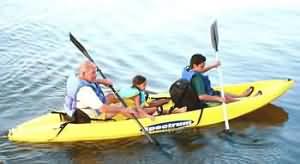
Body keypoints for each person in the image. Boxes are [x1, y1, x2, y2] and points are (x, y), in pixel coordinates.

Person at [64, 61, 136, 122]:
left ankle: (131, 104)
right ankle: (138, 117)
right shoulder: (85, 91)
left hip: (77, 107)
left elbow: (86, 80)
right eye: (93, 73)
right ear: (83, 73)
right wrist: (122, 110)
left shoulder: (75, 77)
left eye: (95, 72)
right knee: (120, 106)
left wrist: (102, 81)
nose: (95, 75)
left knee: (111, 96)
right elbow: (103, 108)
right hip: (88, 115)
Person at [181, 53, 254, 107]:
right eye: (202, 66)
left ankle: (241, 96)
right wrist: (218, 99)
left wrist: (213, 66)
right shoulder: (197, 78)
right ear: (195, 65)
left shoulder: (187, 69)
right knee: (225, 98)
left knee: (222, 93)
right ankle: (243, 102)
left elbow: (200, 70)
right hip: (202, 101)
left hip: (196, 95)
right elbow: (201, 96)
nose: (203, 68)